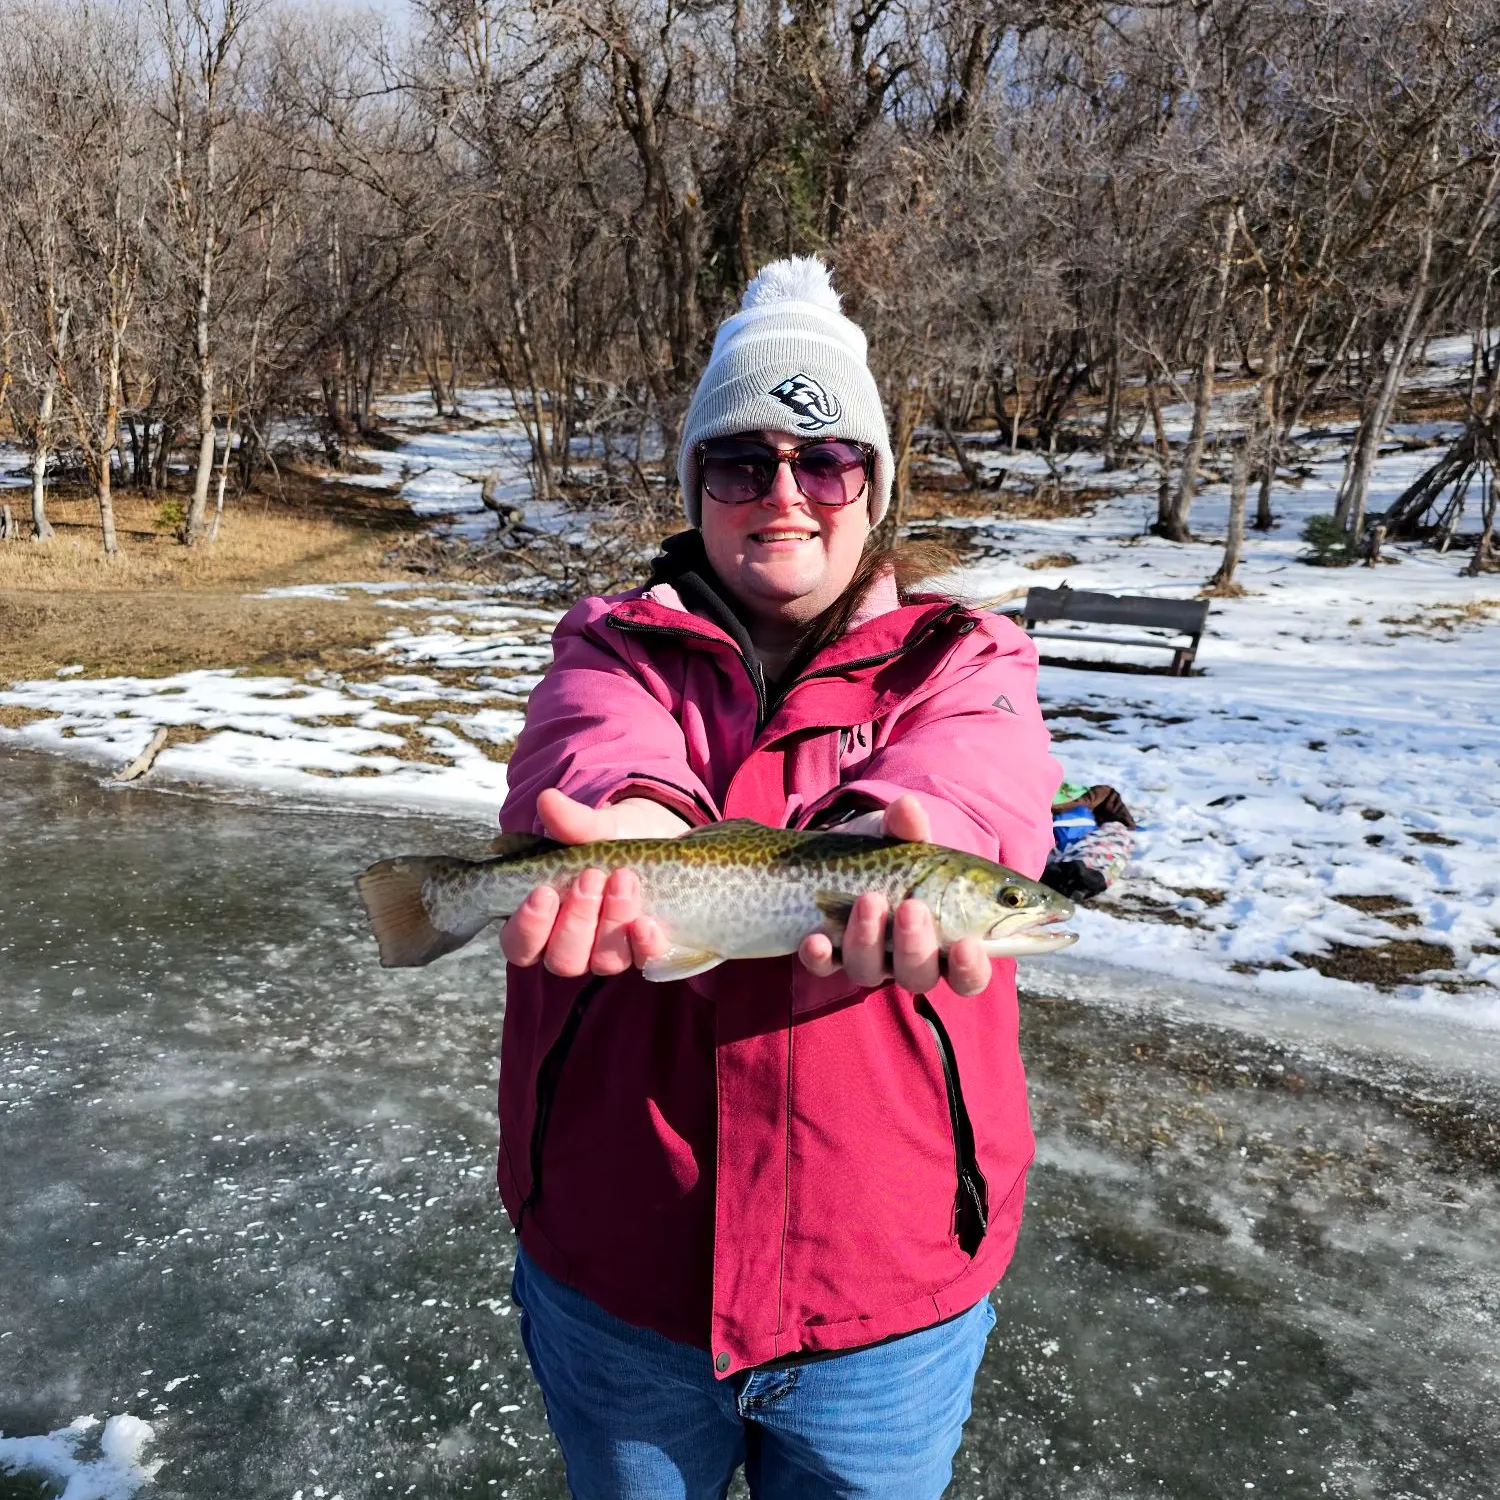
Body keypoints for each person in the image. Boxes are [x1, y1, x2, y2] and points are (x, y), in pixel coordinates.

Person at [494, 256, 1061, 1498]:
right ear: (696, 486)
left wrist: (915, 835)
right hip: (622, 1279)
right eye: (743, 463)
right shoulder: (608, 643)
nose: (786, 494)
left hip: (886, 1292)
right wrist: (631, 824)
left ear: (874, 486)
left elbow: (982, 778)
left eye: (827, 461)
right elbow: (599, 746)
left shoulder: (965, 655)